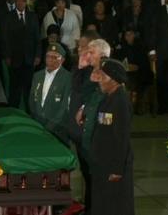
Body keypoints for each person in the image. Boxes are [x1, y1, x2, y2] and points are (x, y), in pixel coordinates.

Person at [90, 58, 134, 215]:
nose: (99, 80)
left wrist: (117, 169)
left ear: (114, 80)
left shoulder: (120, 101)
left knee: (116, 206)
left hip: (113, 167)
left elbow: (121, 138)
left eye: (103, 76)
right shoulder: (108, 98)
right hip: (103, 163)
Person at [73, 38, 111, 215]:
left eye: (91, 52)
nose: (87, 55)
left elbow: (98, 101)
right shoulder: (89, 70)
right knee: (87, 174)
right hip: (85, 131)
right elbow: (76, 92)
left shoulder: (107, 74)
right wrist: (79, 68)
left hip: (98, 132)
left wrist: (83, 108)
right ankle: (89, 207)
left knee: (96, 176)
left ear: (102, 55)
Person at [2, 0, 40, 111]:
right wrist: (7, 56)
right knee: (15, 89)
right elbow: (5, 38)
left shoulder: (33, 16)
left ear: (26, 2)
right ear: (15, 2)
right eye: (18, 0)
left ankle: (30, 113)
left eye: (23, 0)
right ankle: (13, 112)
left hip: (30, 58)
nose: (21, 3)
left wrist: (38, 55)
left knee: (29, 88)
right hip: (14, 59)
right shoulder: (8, 17)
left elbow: (37, 38)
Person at [29, 43, 71, 143]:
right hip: (38, 126)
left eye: (55, 57)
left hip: (58, 130)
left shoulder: (68, 78)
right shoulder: (37, 76)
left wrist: (49, 127)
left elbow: (65, 107)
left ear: (62, 60)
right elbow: (31, 100)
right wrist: (36, 123)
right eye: (48, 56)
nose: (50, 59)